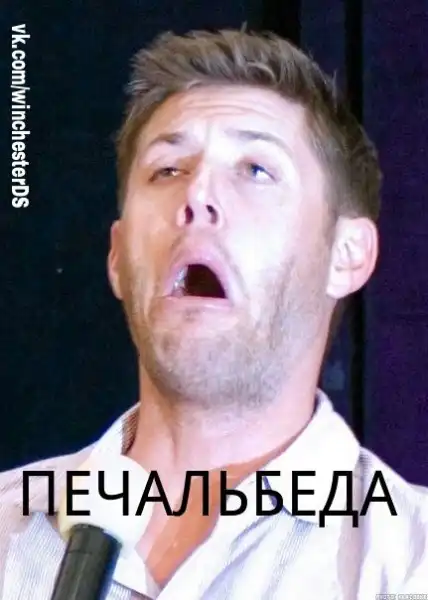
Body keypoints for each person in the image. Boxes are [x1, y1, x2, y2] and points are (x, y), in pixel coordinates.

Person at [1, 29, 427, 600]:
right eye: (167, 169)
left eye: (255, 170)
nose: (196, 195)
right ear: (118, 258)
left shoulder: (411, 565)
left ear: (346, 255)